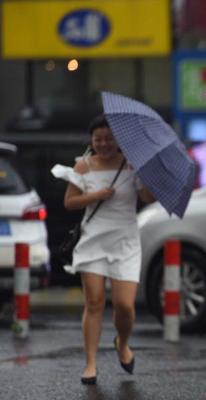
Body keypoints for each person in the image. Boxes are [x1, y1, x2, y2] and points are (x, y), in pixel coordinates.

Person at [52, 114, 154, 385]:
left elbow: (146, 198)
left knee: (124, 306)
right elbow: (70, 202)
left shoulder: (132, 164)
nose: (104, 143)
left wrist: (146, 175)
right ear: (91, 141)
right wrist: (96, 196)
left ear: (118, 140)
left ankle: (122, 343)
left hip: (125, 240)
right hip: (93, 239)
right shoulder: (83, 166)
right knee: (94, 302)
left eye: (109, 138)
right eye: (99, 139)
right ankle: (90, 363)